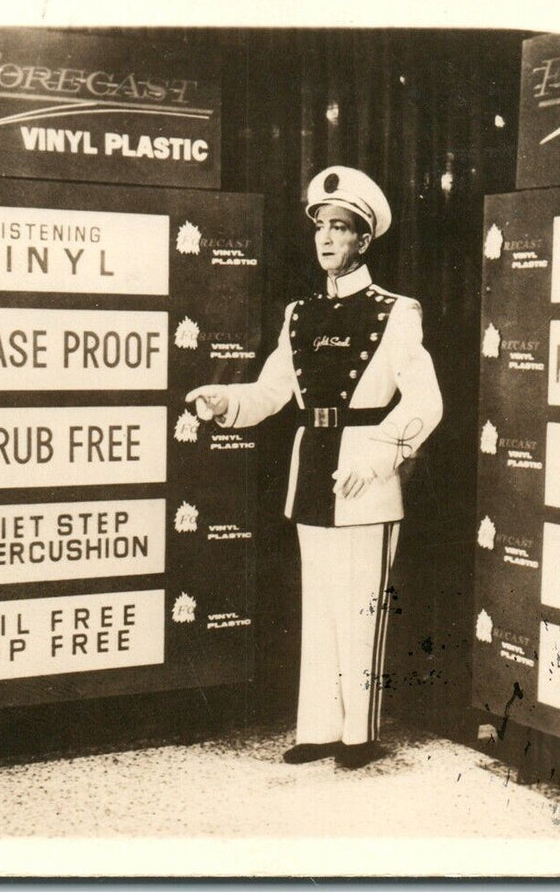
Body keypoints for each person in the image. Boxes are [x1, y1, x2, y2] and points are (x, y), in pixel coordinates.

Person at [187, 166, 443, 769]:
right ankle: (321, 728)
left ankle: (361, 736)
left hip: (363, 473)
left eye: (341, 228)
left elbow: (426, 402)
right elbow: (272, 392)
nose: (327, 238)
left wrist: (383, 453)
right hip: (313, 470)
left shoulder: (397, 312)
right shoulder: (298, 314)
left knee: (361, 608)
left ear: (364, 240)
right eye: (321, 228)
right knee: (320, 604)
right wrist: (226, 402)